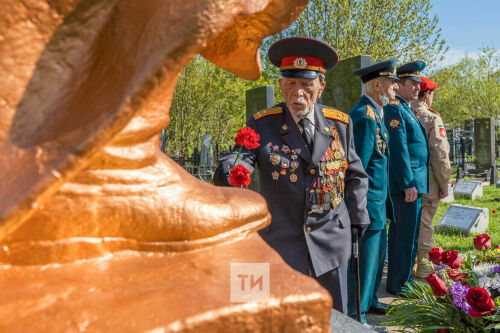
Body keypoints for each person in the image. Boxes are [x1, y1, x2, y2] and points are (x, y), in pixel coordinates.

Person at [214, 37, 369, 314]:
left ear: (321, 86)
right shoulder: (263, 123)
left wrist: (358, 220)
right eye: (291, 83)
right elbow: (241, 156)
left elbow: (355, 175)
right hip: (280, 245)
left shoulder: (340, 124)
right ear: (282, 84)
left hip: (332, 243)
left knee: (335, 319)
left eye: (306, 85)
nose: (298, 93)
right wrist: (232, 170)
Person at [347, 58, 399, 326]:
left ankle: (370, 302)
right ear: (378, 84)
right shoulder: (364, 117)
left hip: (379, 204)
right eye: (392, 83)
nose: (395, 89)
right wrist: (359, 211)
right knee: (364, 266)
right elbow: (359, 169)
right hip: (368, 206)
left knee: (376, 261)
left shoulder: (376, 112)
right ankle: (358, 317)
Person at [384, 61, 429, 295]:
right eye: (412, 83)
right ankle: (397, 284)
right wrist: (407, 182)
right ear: (399, 85)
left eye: (419, 84)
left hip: (416, 183)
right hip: (407, 186)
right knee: (402, 236)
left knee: (411, 236)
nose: (417, 88)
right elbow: (399, 148)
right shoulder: (394, 108)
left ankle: (405, 280)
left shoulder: (406, 108)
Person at [410, 77, 451, 278]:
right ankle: (424, 266)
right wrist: (444, 183)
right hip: (428, 180)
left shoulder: (401, 112)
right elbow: (440, 154)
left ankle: (407, 264)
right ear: (427, 95)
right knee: (425, 222)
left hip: (405, 180)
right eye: (432, 94)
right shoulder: (431, 118)